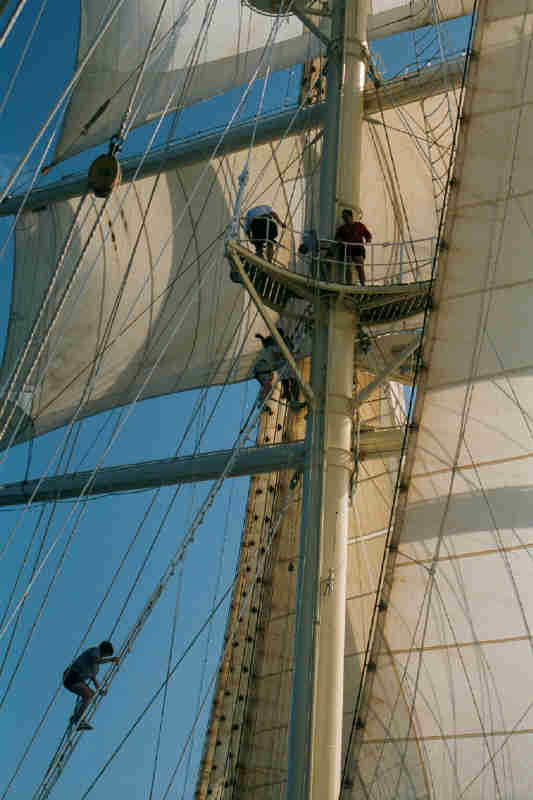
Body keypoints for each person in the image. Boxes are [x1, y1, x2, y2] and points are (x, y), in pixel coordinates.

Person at [63, 641, 118, 730]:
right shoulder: (95, 651)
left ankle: (76, 717)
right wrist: (111, 660)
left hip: (77, 679)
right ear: (104, 651)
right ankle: (78, 720)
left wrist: (100, 690)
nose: (104, 656)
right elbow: (95, 660)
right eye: (106, 654)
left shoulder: (96, 668)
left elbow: (93, 678)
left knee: (91, 694)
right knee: (88, 695)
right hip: (72, 675)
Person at [335, 208, 372, 286]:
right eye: (343, 217)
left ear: (351, 216)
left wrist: (368, 239)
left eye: (346, 216)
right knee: (348, 268)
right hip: (347, 249)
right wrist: (339, 240)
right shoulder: (342, 228)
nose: (344, 219)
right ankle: (349, 284)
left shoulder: (359, 225)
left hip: (358, 249)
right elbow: (337, 237)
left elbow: (367, 234)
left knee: (360, 267)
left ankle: (363, 284)